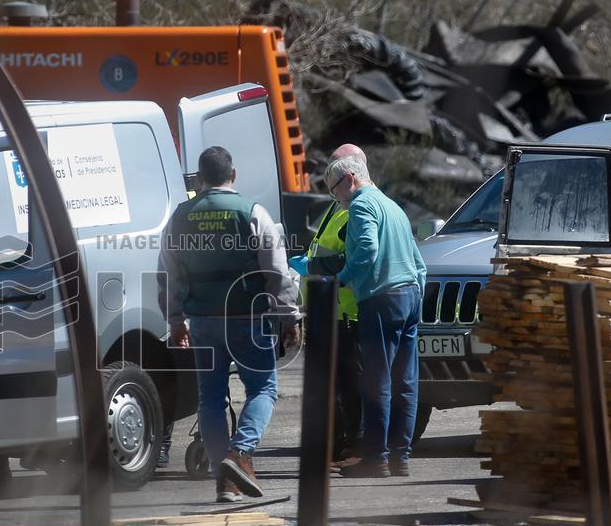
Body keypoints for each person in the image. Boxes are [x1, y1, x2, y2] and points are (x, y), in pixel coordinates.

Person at [159, 146, 301, 502]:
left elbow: (170, 277)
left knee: (210, 400)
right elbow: (277, 272)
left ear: (200, 179)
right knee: (263, 389)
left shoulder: (179, 217)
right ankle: (240, 455)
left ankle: (226, 479)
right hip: (247, 318)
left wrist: (176, 322)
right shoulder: (252, 212)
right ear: (233, 175)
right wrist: (290, 318)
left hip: (203, 322)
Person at [325, 152, 426, 478]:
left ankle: (376, 457)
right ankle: (400, 457)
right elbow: (418, 262)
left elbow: (367, 249)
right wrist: (416, 299)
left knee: (377, 381)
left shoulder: (361, 205)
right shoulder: (393, 207)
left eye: (334, 188)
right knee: (405, 382)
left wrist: (343, 277)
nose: (335, 197)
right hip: (408, 296)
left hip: (382, 299)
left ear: (350, 179)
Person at [306, 144, 366, 466]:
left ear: (350, 174)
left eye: (334, 173)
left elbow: (353, 258)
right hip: (328, 308)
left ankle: (354, 446)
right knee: (332, 384)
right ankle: (337, 444)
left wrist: (313, 266)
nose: (329, 181)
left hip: (349, 311)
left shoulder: (356, 208)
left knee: (350, 384)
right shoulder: (338, 204)